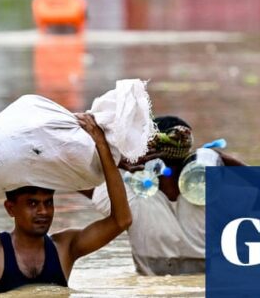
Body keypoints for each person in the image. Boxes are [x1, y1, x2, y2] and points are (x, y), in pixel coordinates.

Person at [0, 113, 132, 295]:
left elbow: (121, 221)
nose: (43, 211)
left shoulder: (65, 247)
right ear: (10, 208)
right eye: (32, 203)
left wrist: (102, 146)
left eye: (48, 203)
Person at [83, 115, 247, 276]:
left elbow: (70, 180)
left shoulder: (128, 198)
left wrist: (112, 157)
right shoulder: (214, 195)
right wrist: (224, 159)